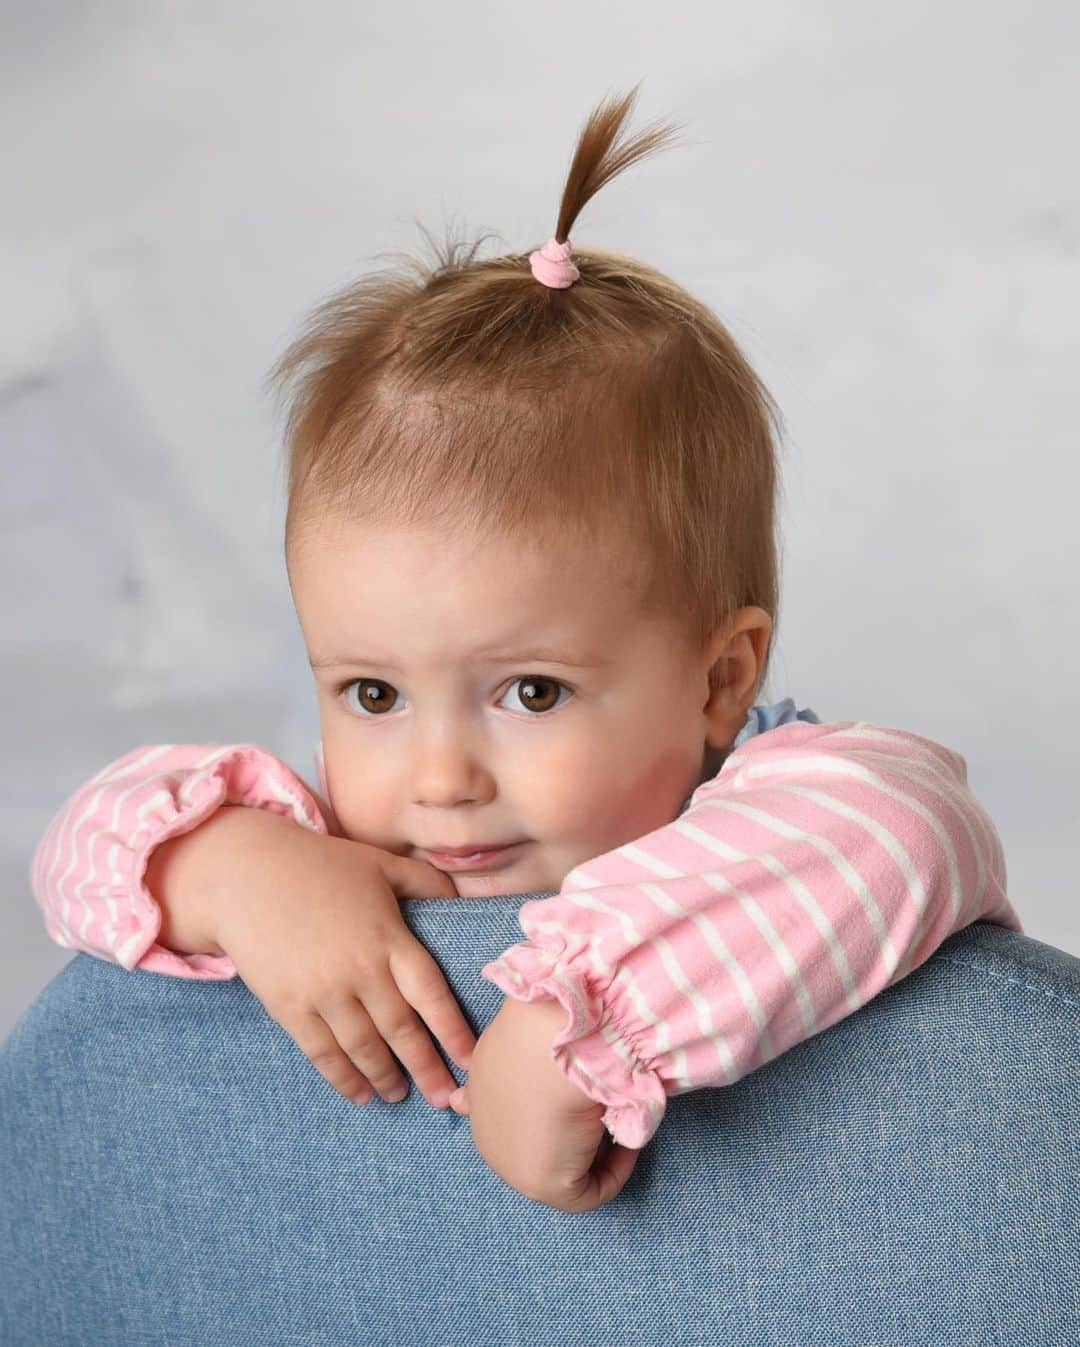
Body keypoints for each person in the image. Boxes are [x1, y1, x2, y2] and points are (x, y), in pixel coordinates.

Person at [28, 87, 1021, 1213]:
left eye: (532, 691)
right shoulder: (336, 861)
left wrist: (587, 1018)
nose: (441, 778)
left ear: (720, 680)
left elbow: (911, 826)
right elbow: (78, 848)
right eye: (371, 692)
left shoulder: (782, 810)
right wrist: (235, 876)